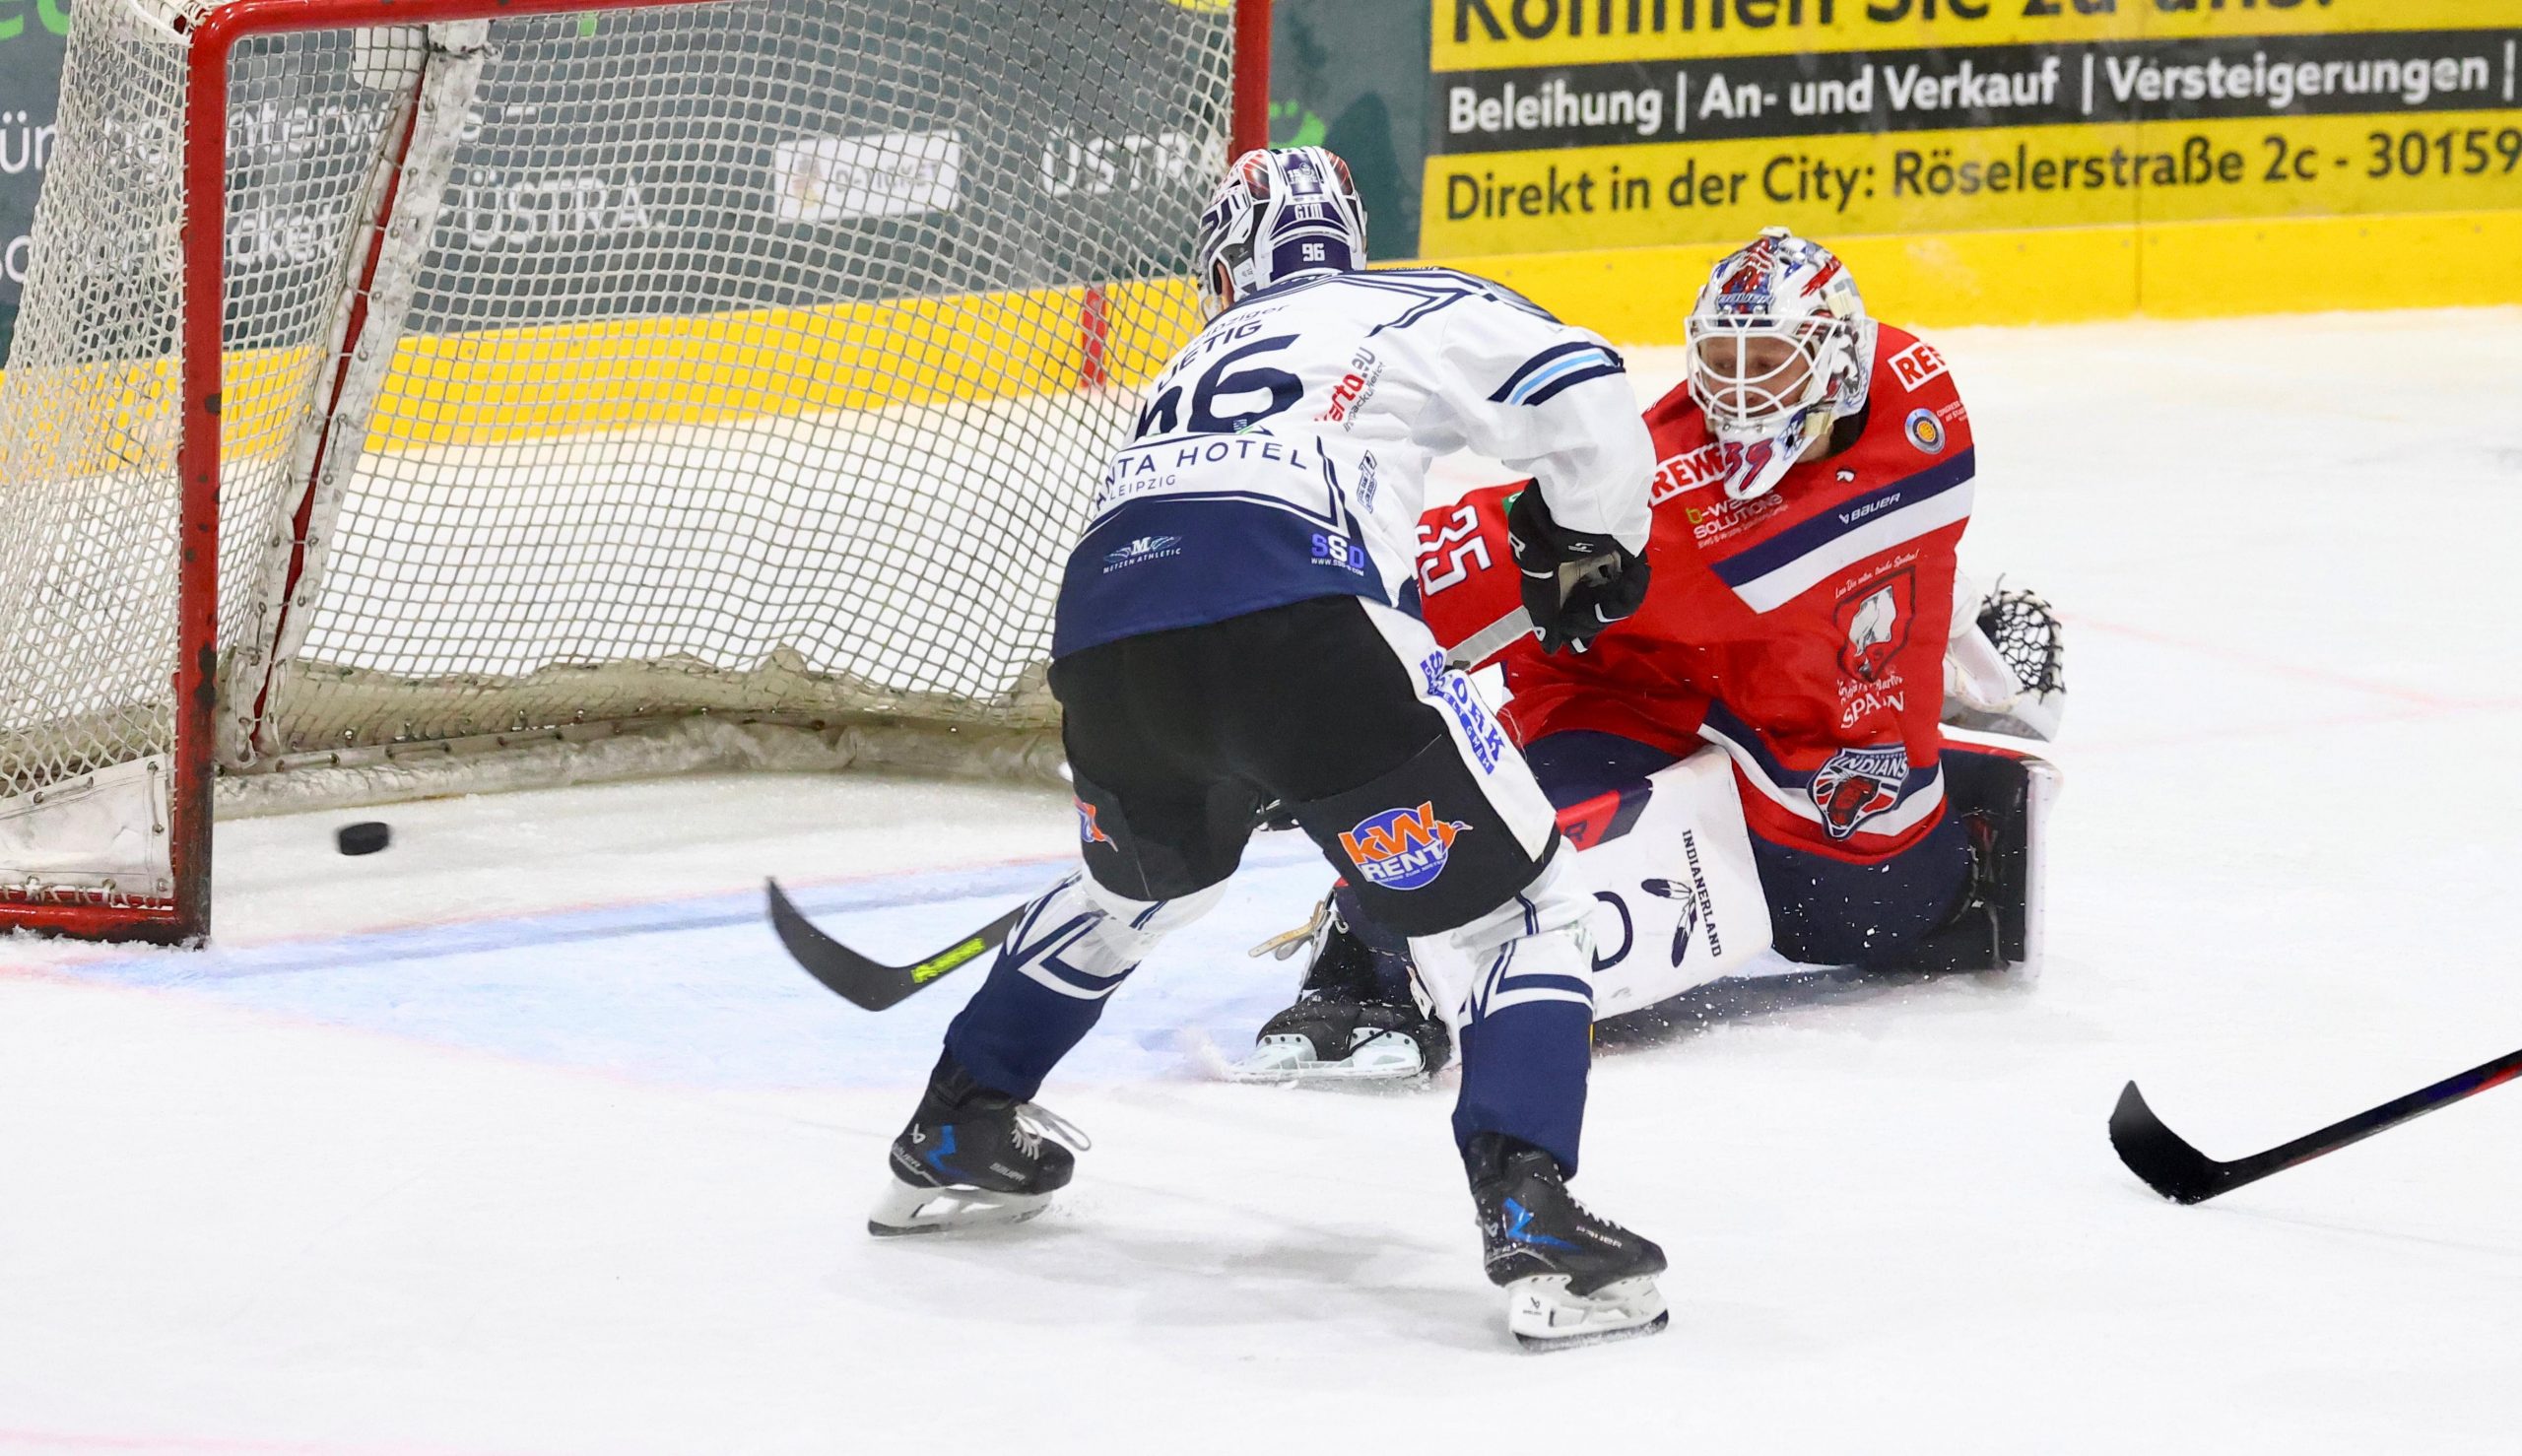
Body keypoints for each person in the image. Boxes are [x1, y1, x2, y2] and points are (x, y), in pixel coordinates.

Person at [868, 147, 1670, 1349]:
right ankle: (1530, 1209)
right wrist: (1591, 536)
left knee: (1130, 894)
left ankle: (957, 1117)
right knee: (1526, 911)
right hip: (1300, 620)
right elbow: (1580, 382)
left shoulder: (1183, 365)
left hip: (1108, 645)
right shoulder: (1406, 298)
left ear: (1219, 270)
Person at [1249, 226, 2053, 1080]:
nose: (1739, 393)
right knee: (1544, 894)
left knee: (1876, 909)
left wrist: (1958, 637)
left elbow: (1907, 545)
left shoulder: (1920, 399)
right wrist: (1276, 687)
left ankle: (1948, 788)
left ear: (1838, 367)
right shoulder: (1663, 491)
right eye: (1721, 361)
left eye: (1768, 363)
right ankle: (1374, 953)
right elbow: (1447, 568)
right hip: (1624, 699)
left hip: (1816, 756)